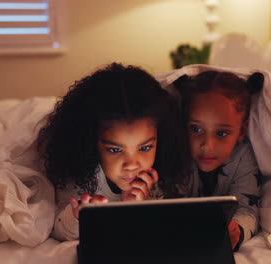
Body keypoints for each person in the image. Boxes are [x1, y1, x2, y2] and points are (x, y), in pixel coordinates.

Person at [37, 63, 190, 241]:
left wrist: (134, 209)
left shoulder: (162, 174)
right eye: (115, 150)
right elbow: (58, 230)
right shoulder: (81, 174)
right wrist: (79, 217)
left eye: (145, 148)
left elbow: (161, 230)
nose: (132, 164)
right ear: (91, 143)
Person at [175, 70, 264, 251]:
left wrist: (236, 230)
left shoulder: (244, 157)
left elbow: (248, 208)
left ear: (241, 131)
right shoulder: (178, 154)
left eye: (221, 133)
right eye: (196, 129)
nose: (207, 146)